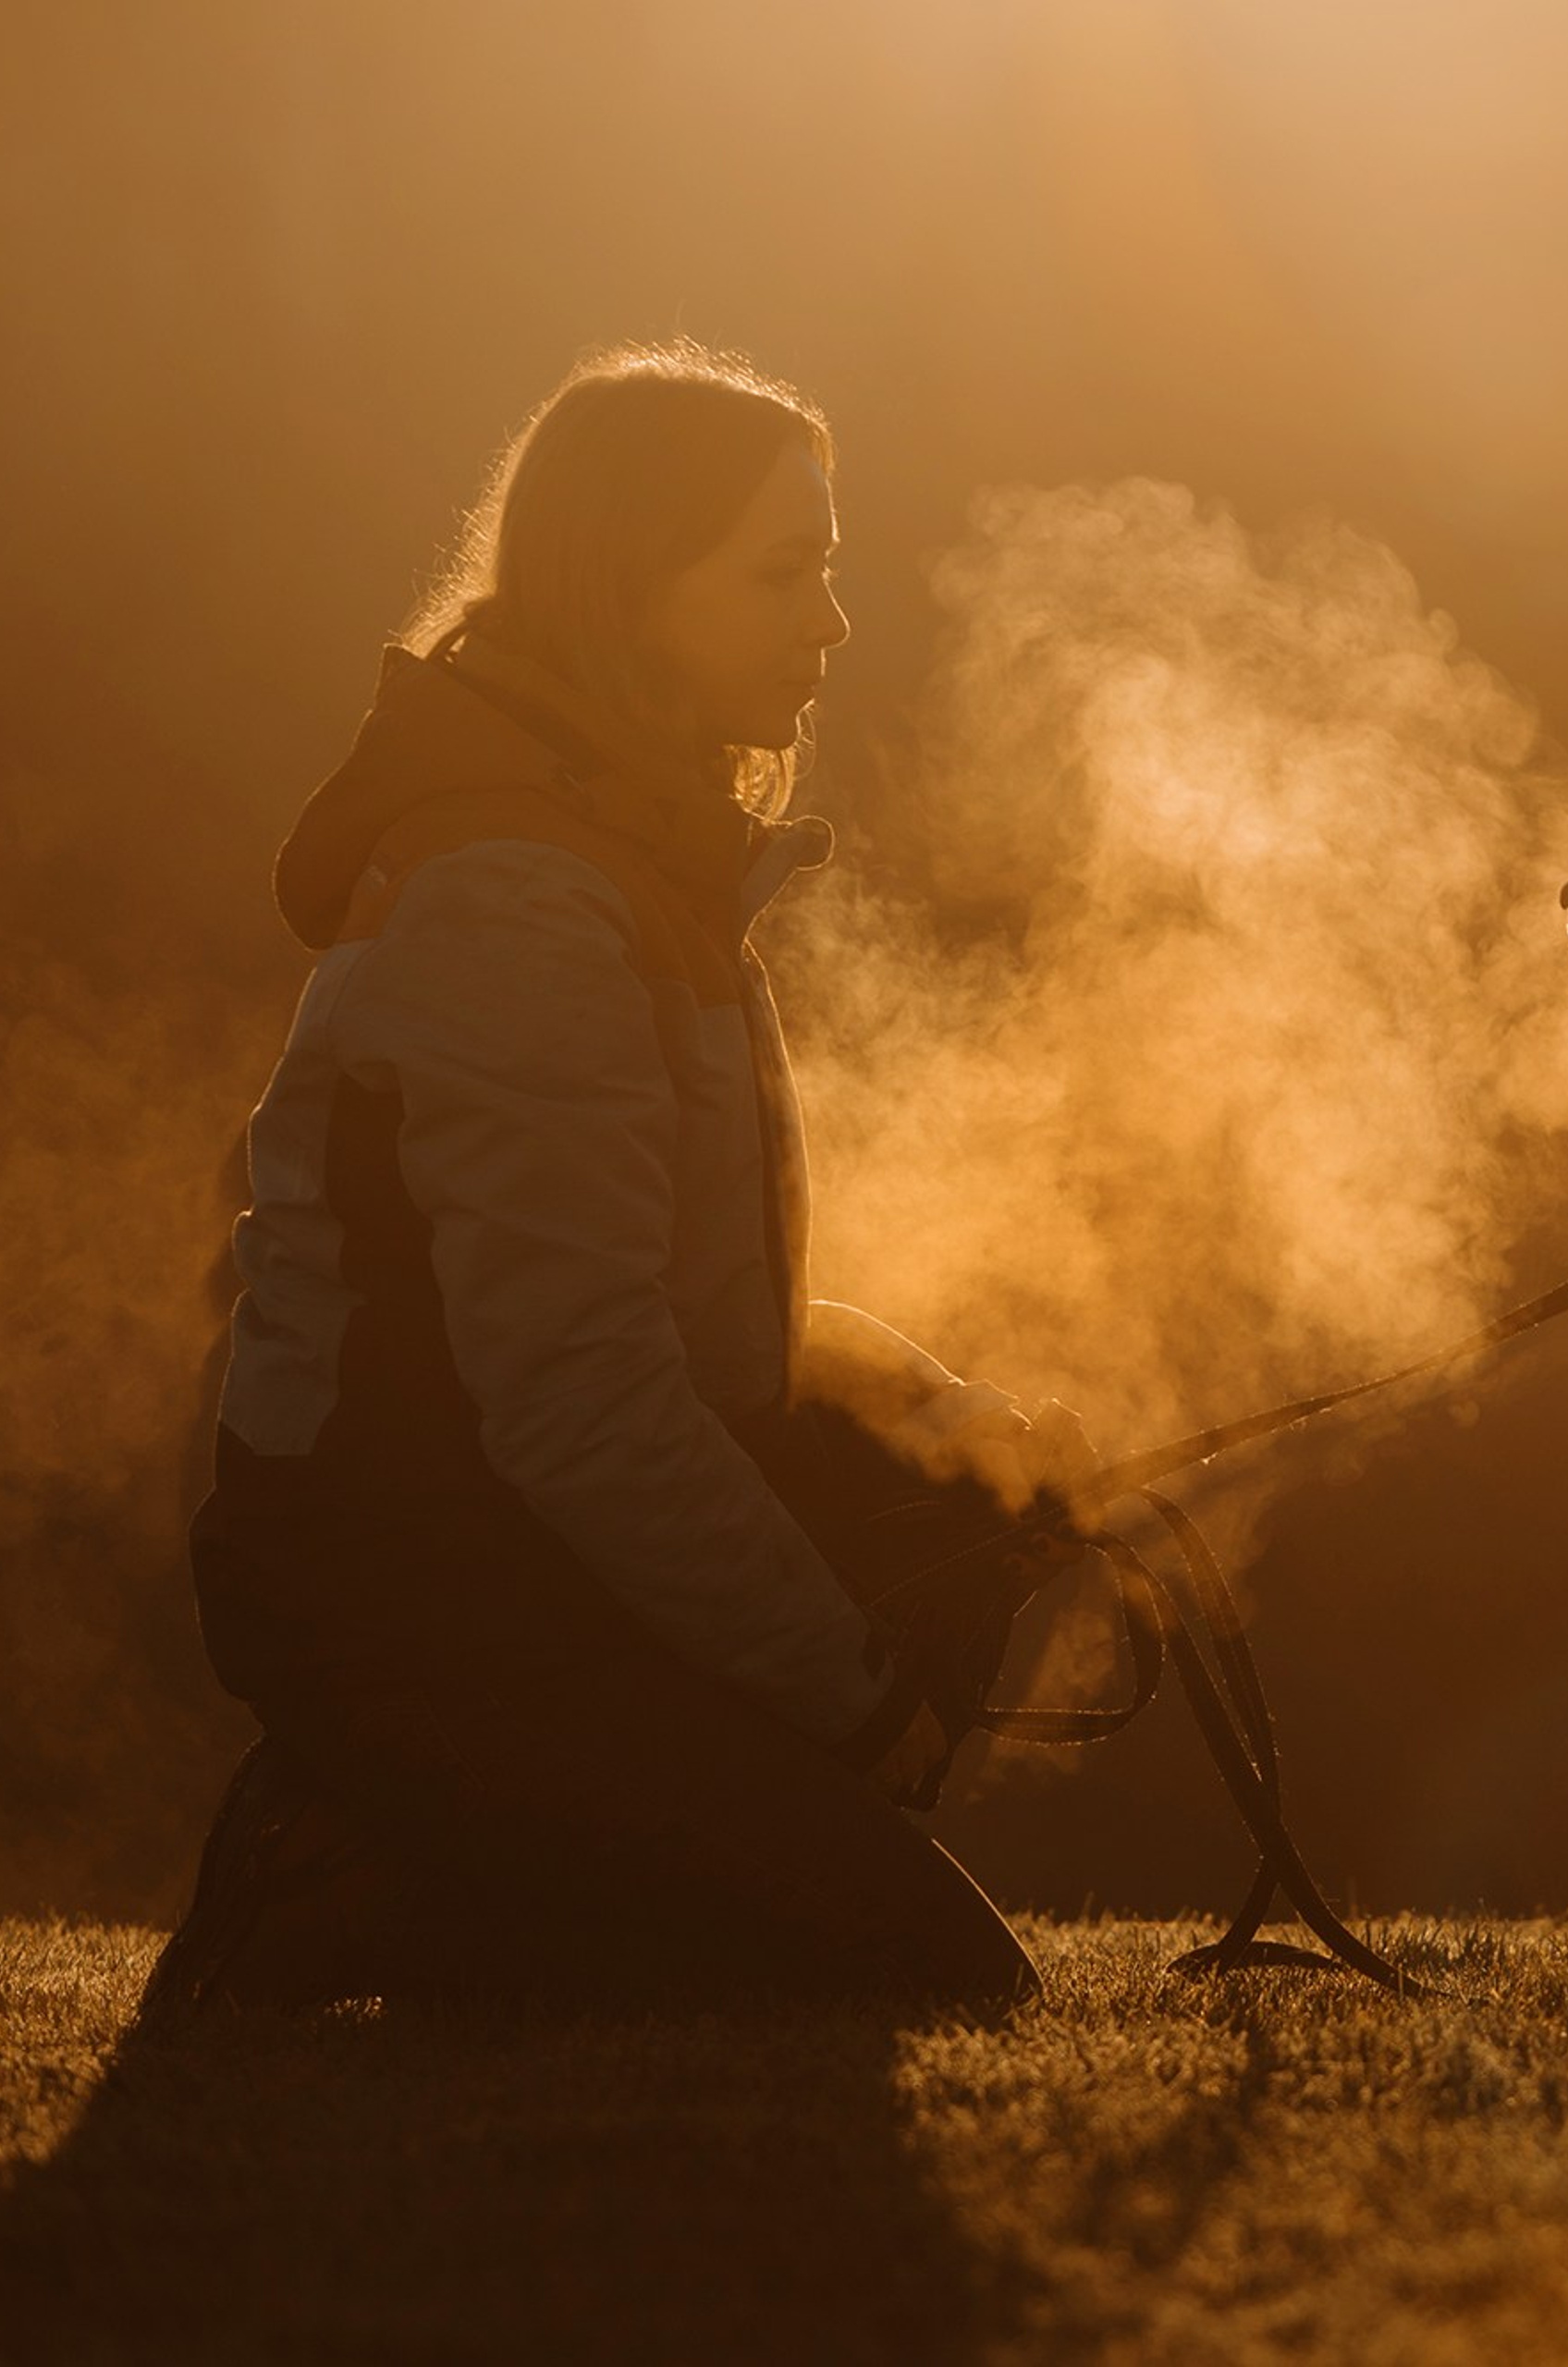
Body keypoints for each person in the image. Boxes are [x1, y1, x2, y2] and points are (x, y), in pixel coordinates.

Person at [144, 340, 1085, 2022]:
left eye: (829, 570)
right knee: (914, 1974)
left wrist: (940, 1410)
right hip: (411, 1584)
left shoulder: (621, 853)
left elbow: (670, 1305)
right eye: (782, 575)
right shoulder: (518, 905)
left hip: (514, 1537)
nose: (832, 623)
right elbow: (579, 1393)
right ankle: (352, 1848)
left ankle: (492, 1838)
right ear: (633, 594)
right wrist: (853, 1697)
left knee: (978, 1505)